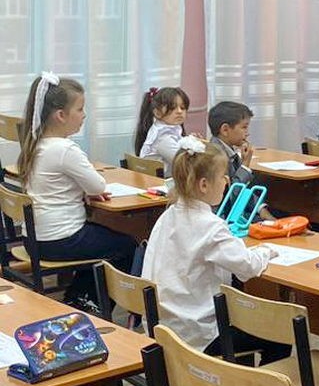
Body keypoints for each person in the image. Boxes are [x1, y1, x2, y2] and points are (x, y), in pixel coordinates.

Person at [141, 136, 285, 362]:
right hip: (198, 334)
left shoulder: (168, 215)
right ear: (204, 185)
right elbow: (248, 267)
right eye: (223, 176)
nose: (227, 180)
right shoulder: (210, 226)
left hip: (164, 325)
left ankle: (237, 375)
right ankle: (259, 385)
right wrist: (267, 250)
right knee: (281, 333)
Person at [16, 73, 137, 306]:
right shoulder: (65, 149)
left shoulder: (36, 143)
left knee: (101, 239)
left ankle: (77, 297)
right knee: (126, 246)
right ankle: (87, 302)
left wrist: (83, 191)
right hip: (62, 240)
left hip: (34, 240)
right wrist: (88, 190)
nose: (84, 115)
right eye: (80, 109)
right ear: (61, 115)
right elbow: (98, 185)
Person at [135, 86, 190, 177]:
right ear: (157, 113)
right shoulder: (163, 136)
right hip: (161, 182)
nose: (179, 111)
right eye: (172, 108)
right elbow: (184, 163)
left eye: (183, 107)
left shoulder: (166, 128)